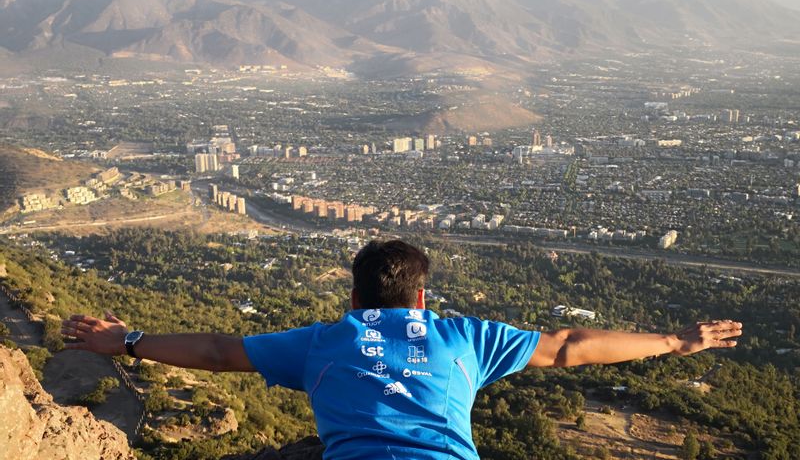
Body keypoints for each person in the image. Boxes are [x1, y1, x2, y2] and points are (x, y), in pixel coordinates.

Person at [61, 240, 742, 460]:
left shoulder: (322, 342)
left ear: (354, 300)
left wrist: (129, 341)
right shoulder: (463, 336)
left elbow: (215, 350)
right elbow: (569, 347)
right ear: (421, 300)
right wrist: (675, 341)